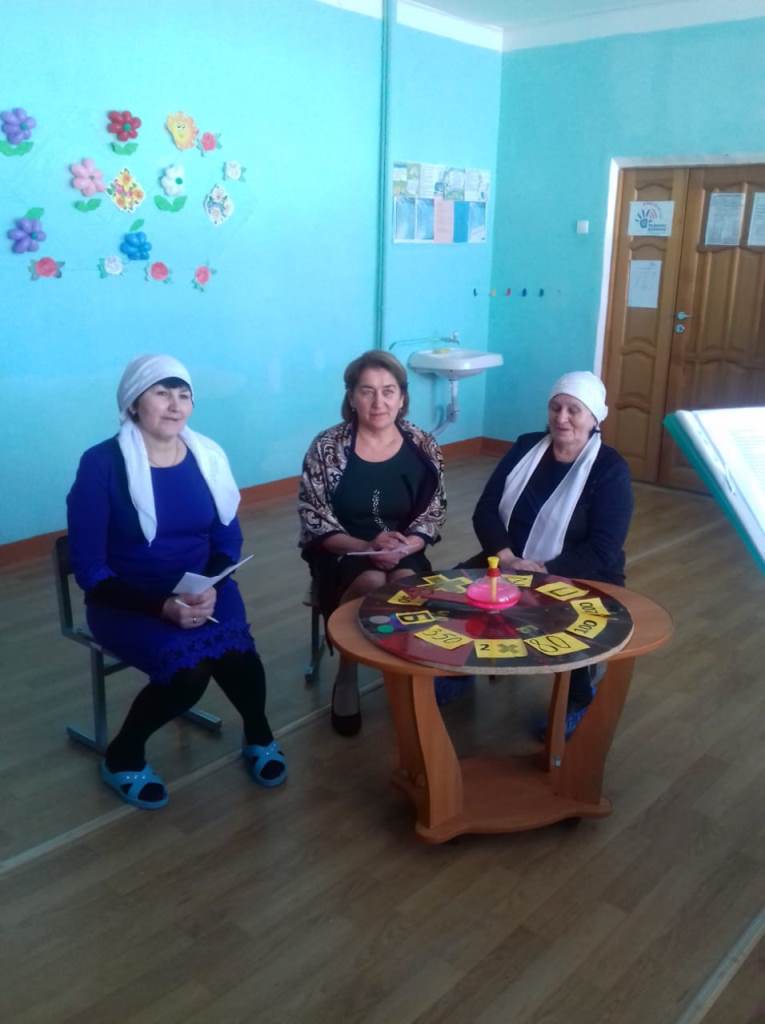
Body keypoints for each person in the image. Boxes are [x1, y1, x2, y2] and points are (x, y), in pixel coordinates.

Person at [67, 354, 286, 809]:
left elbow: (227, 537)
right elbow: (90, 570)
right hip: (127, 602)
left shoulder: (208, 456)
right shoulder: (101, 464)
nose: (175, 405)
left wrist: (212, 586)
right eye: (162, 393)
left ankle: (259, 734)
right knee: (189, 673)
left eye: (184, 395)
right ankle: (122, 756)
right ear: (133, 403)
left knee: (240, 656)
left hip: (205, 590)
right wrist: (161, 606)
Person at [469, 370, 633, 736]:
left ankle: (578, 698)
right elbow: (485, 510)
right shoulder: (526, 446)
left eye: (574, 410)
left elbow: (604, 548)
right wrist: (508, 559)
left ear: (594, 418)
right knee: (459, 593)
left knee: (567, 616)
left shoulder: (609, 469)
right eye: (555, 407)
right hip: (511, 560)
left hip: (583, 570)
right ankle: (460, 671)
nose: (562, 418)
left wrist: (543, 570)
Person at [298, 350, 446, 736]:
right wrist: (367, 546)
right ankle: (347, 673)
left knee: (403, 583)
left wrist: (406, 546)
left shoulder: (423, 445)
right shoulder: (327, 447)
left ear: (402, 397)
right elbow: (314, 517)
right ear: (351, 397)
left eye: (388, 391)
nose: (378, 402)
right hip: (343, 549)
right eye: (367, 391)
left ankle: (405, 668)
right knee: (370, 581)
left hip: (403, 548)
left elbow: (434, 511)